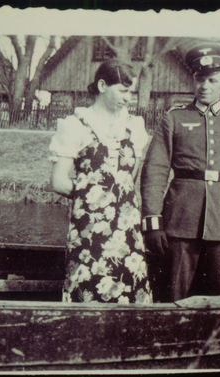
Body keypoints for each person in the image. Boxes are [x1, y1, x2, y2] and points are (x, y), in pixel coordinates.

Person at [140, 43, 220, 302]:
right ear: (193, 80)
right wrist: (152, 222)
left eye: (212, 80)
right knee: (174, 296)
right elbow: (155, 172)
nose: (205, 86)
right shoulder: (173, 118)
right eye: (200, 79)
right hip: (180, 222)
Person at [49, 59, 153, 304]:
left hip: (127, 230)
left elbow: (129, 179)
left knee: (130, 289)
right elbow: (59, 181)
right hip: (89, 231)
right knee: (87, 288)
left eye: (132, 92)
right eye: (123, 91)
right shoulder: (76, 126)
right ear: (103, 85)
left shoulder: (134, 127)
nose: (129, 98)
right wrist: (93, 197)